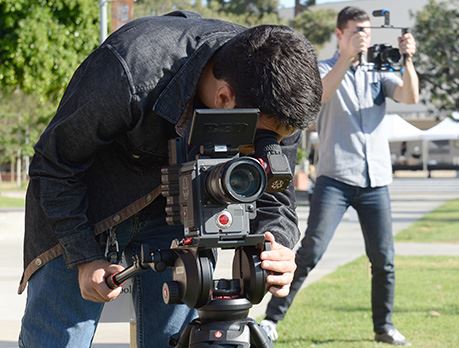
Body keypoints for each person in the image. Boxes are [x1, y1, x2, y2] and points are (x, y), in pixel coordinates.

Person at [17, 10, 323, 348]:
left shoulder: (277, 102)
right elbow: (55, 162)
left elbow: (276, 196)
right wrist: (85, 256)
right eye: (261, 139)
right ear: (224, 98)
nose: (267, 147)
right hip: (85, 206)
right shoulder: (131, 67)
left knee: (171, 341)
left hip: (183, 217)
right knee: (58, 341)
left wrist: (276, 244)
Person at [260, 6, 418, 346]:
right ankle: (272, 320)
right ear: (340, 34)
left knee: (384, 260)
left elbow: (409, 96)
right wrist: (346, 59)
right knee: (311, 252)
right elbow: (318, 101)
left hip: (376, 181)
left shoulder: (379, 71)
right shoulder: (324, 69)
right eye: (357, 30)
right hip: (335, 179)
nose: (364, 36)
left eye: (368, 31)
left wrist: (407, 60)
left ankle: (384, 327)